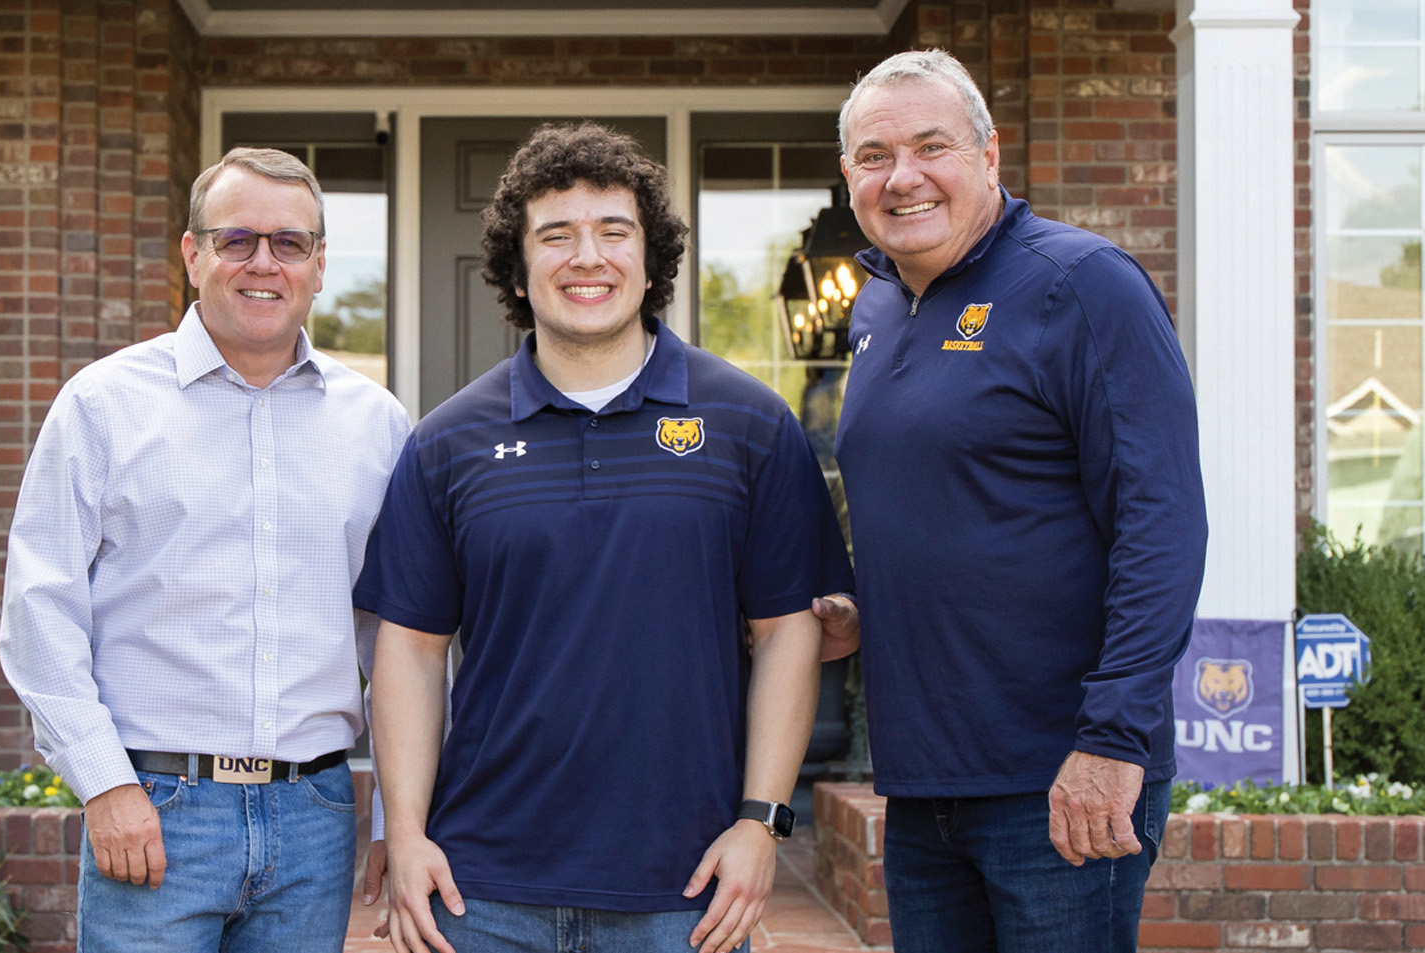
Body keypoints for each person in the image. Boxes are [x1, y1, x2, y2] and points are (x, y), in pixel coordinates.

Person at [356, 122, 853, 953]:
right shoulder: (449, 442)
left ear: (651, 261)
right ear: (518, 269)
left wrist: (761, 821)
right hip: (483, 890)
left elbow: (787, 633)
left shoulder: (750, 425)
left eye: (614, 231)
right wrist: (405, 833)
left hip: (687, 888)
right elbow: (409, 648)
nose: (587, 257)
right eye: (556, 235)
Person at [816, 49, 1208, 953]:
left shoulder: (1082, 284)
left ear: (989, 155)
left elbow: (1161, 524)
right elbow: (958, 507)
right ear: (849, 177)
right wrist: (865, 608)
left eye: (932, 147)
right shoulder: (877, 307)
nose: (902, 176)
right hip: (923, 780)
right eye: (875, 156)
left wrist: (1113, 740)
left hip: (1061, 773)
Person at [0, 147, 411, 953]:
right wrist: (105, 784)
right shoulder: (103, 405)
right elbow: (39, 609)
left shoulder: (376, 424)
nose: (264, 263)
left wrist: (399, 813)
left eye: (289, 243)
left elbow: (396, 637)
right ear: (192, 255)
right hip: (156, 807)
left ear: (320, 265)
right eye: (237, 240)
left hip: (315, 815)